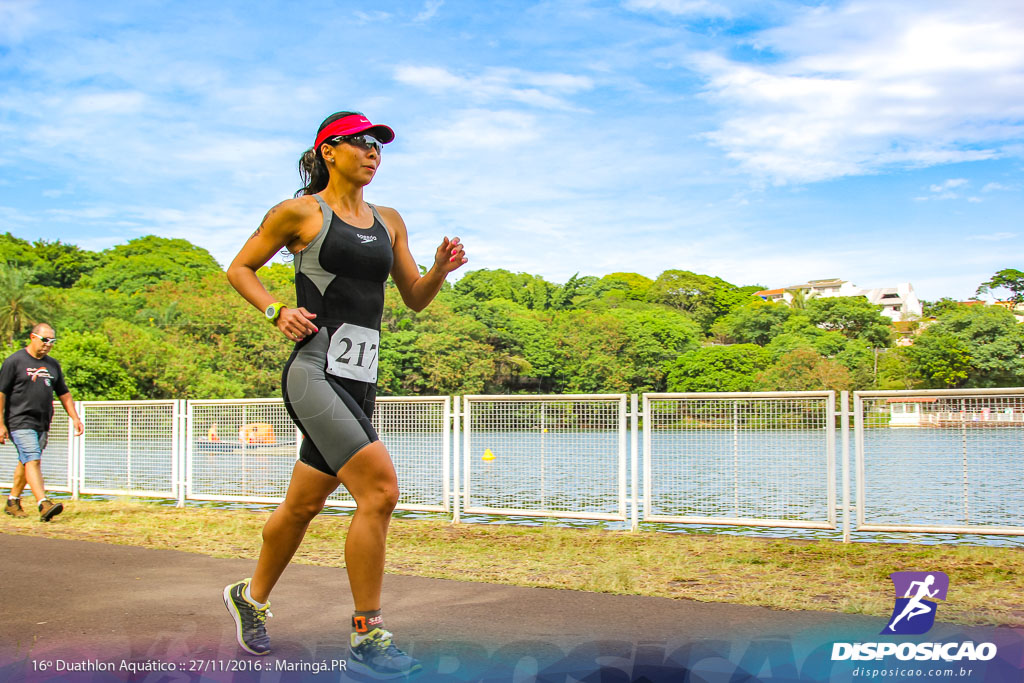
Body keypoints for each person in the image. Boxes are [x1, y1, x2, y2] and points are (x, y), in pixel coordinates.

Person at [224, 111, 467, 677]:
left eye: (377, 145)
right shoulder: (300, 212)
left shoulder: (390, 220)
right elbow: (240, 268)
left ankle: (249, 598)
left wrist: (438, 270)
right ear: (327, 151)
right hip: (314, 372)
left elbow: (414, 298)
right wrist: (275, 309)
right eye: (358, 143)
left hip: (361, 380)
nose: (372, 152)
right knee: (380, 491)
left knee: (304, 505)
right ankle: (367, 634)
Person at [1, 323, 84, 521]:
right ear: (33, 337)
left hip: (42, 422)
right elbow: (1, 393)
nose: (48, 344)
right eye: (45, 340)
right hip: (18, 420)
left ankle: (13, 501)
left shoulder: (52, 365)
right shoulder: (15, 361)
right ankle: (43, 503)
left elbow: (63, 393)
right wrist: (0, 424)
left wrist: (75, 417)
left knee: (27, 460)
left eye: (52, 341)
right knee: (33, 458)